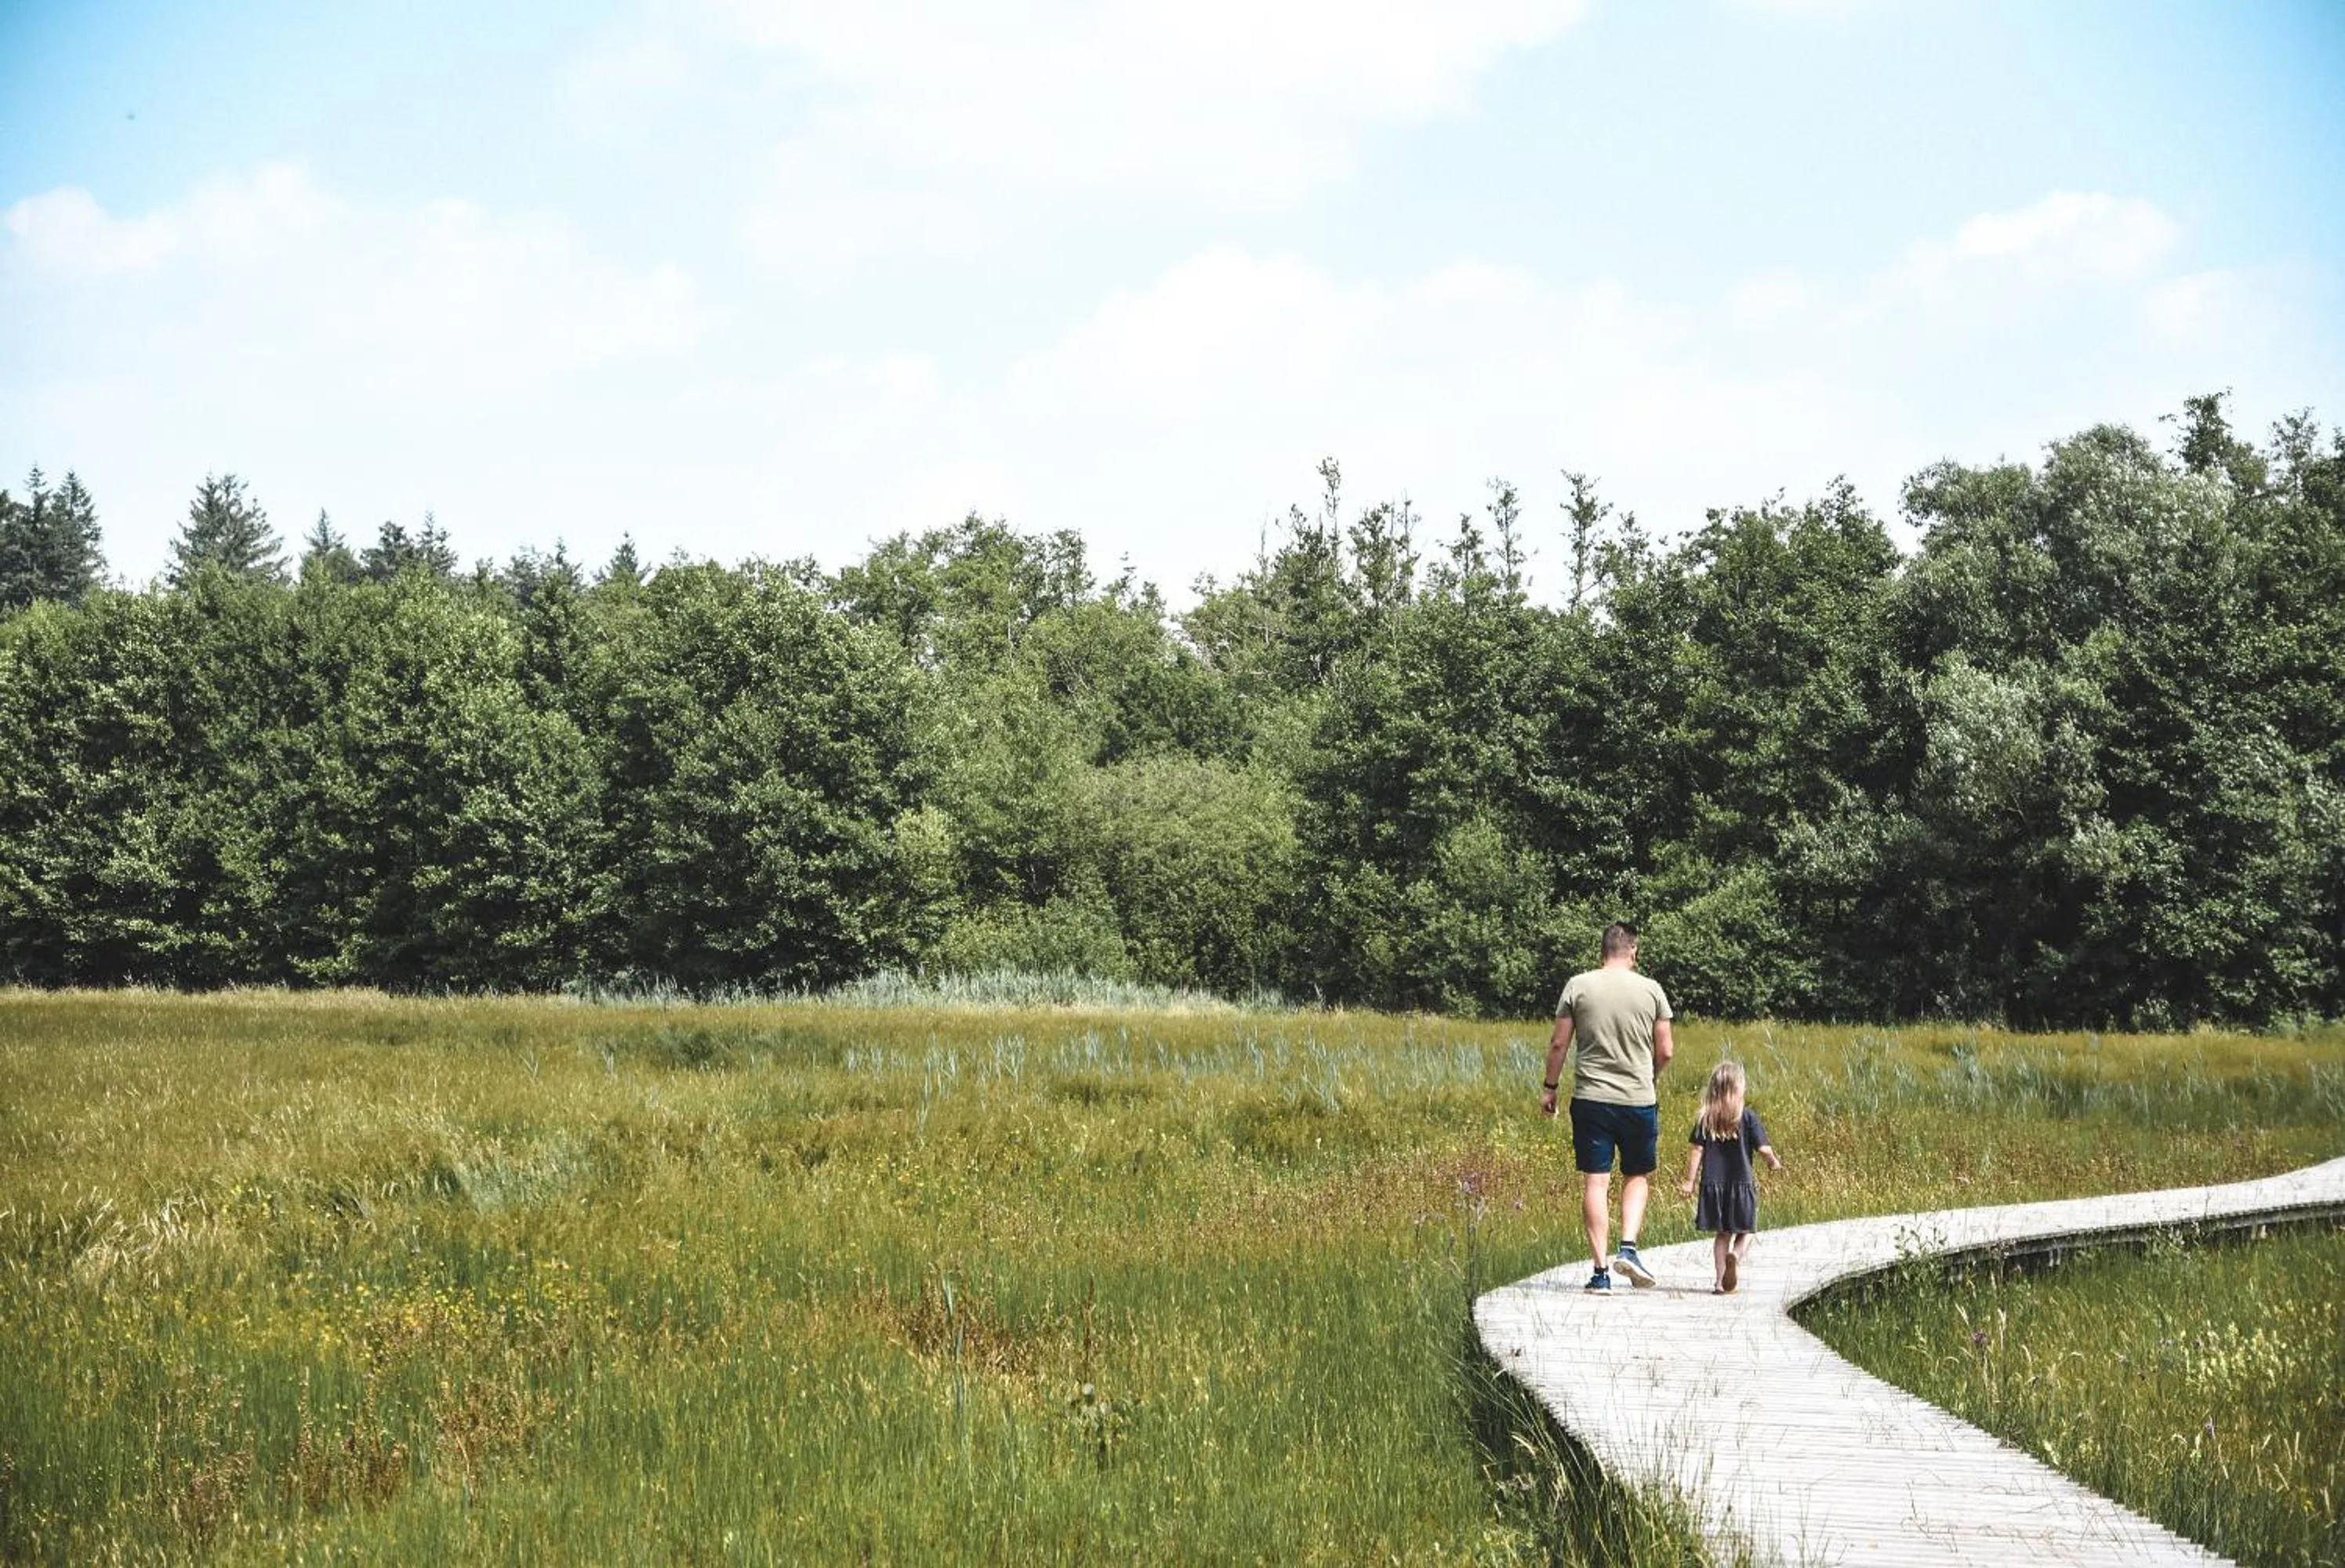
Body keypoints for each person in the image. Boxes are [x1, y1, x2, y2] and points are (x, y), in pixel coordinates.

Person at [1540, 922, 1674, 1292]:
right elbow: (1666, 1050)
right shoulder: (1652, 990)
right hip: (1637, 1099)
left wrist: (1550, 1088)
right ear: (1634, 950)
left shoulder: (1578, 986)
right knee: (1637, 1175)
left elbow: (1558, 1045)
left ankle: (1600, 1273)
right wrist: (1649, 1076)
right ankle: (1628, 1249)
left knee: (1596, 1181)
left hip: (1591, 1099)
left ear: (1603, 952)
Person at [1679, 1060, 1783, 1294]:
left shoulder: (1706, 1119)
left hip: (1712, 1186)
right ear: (1739, 1090)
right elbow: (1764, 1149)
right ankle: (1735, 1255)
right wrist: (1773, 1162)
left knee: (1722, 1234)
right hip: (1742, 1184)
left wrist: (1689, 1181)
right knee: (1747, 1231)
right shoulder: (1748, 1117)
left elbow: (1697, 1150)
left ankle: (1719, 1282)